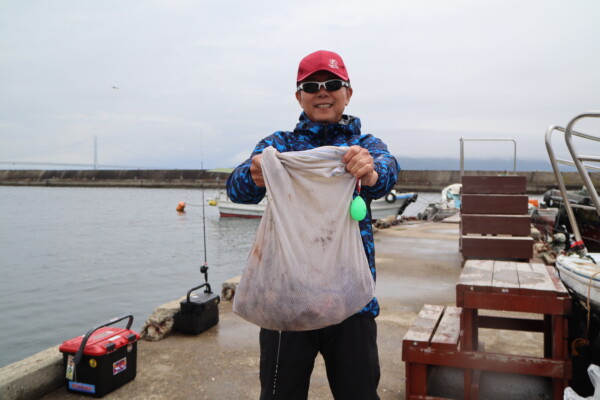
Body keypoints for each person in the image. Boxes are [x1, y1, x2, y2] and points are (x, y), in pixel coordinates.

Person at [226, 50, 400, 400]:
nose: (323, 91)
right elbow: (236, 190)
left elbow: (387, 172)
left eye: (332, 83)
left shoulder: (365, 146)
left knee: (360, 394)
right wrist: (255, 173)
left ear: (348, 93)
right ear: (299, 96)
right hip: (285, 302)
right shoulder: (279, 146)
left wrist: (370, 169)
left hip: (351, 301)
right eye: (312, 85)